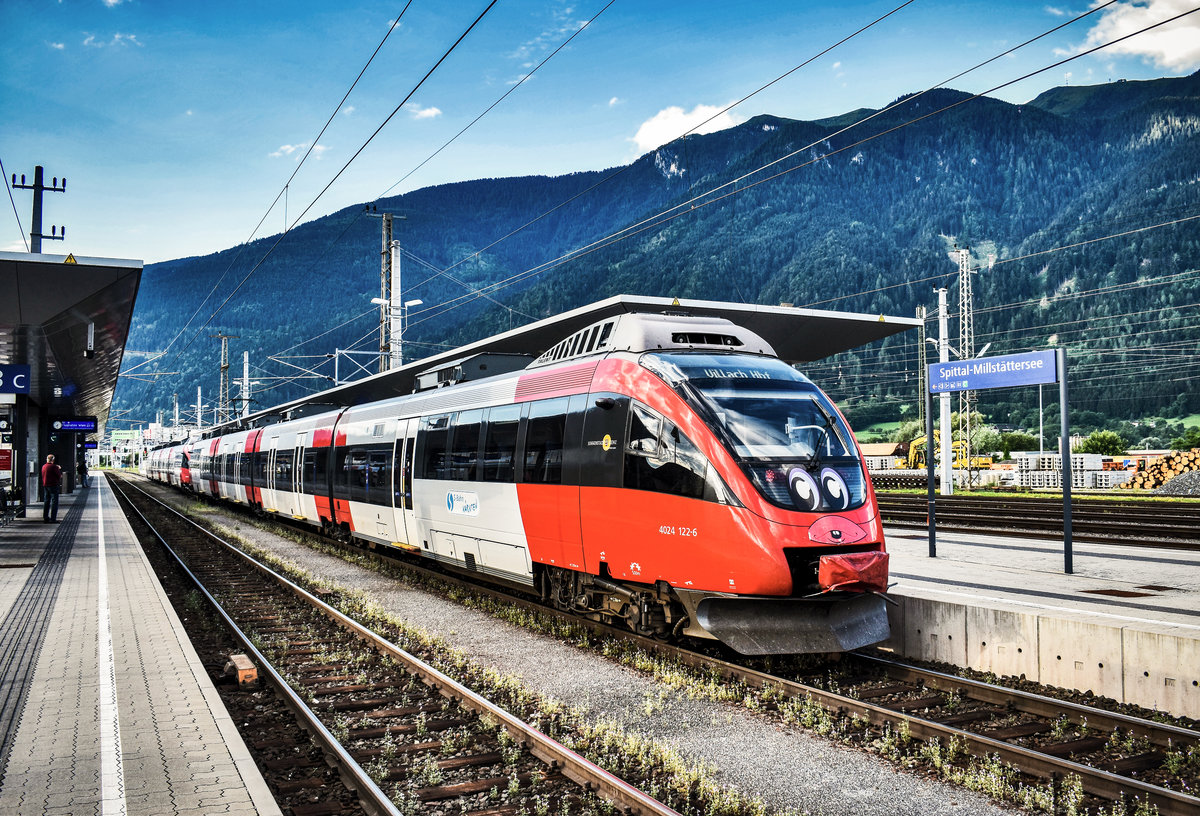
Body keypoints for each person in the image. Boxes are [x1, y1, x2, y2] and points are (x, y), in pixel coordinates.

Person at [41, 454, 63, 523]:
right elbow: (59, 476)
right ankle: (53, 519)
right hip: (53, 485)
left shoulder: (44, 466)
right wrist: (58, 469)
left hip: (46, 485)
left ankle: (45, 517)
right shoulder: (54, 467)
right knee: (54, 502)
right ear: (53, 459)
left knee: (46, 501)